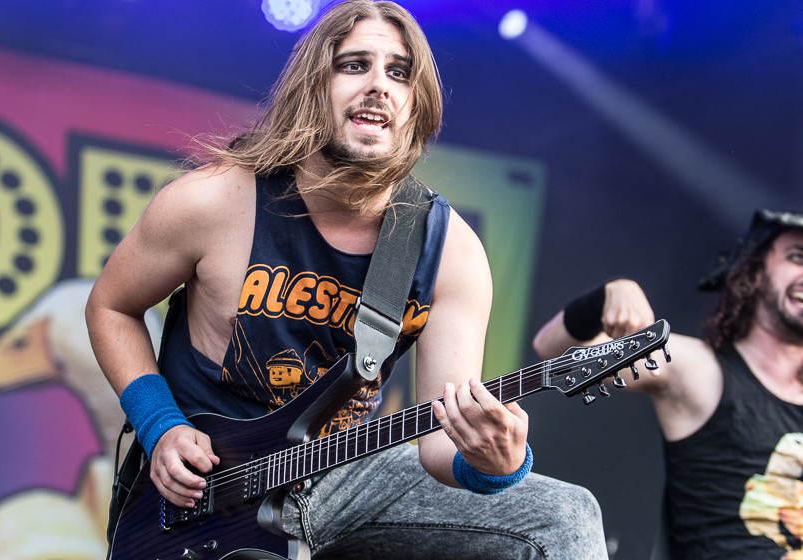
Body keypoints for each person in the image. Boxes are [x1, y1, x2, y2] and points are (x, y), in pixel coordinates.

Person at [86, 1, 607, 558]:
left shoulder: (449, 251)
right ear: (314, 86)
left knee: (565, 514)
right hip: (208, 480)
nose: (379, 85)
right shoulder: (214, 201)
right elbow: (111, 307)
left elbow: (437, 440)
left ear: (415, 106)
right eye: (354, 65)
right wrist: (160, 426)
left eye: (399, 72)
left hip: (343, 473)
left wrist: (492, 465)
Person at [532, 209, 803, 559]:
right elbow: (555, 352)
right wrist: (607, 296)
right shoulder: (700, 369)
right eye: (797, 258)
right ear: (755, 271)